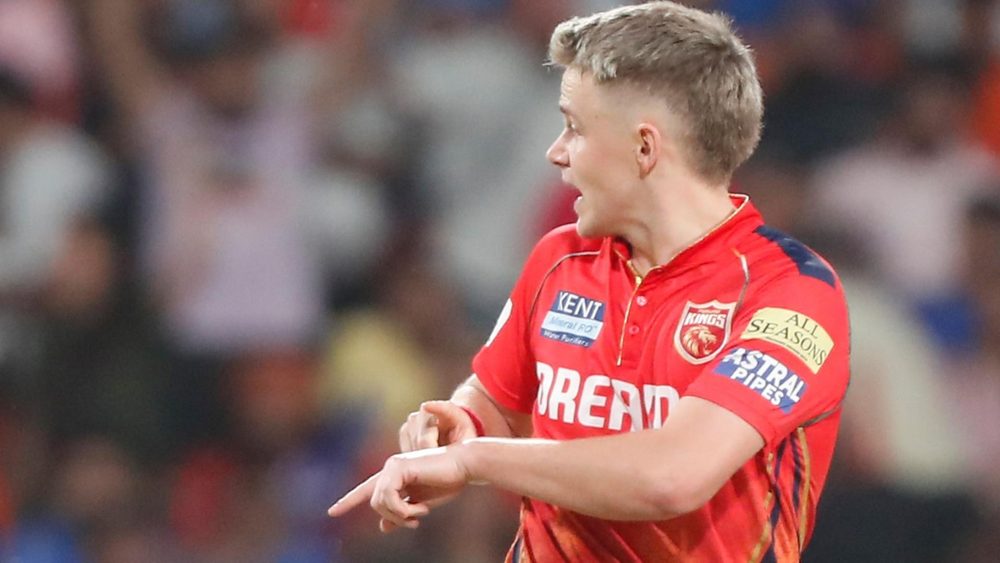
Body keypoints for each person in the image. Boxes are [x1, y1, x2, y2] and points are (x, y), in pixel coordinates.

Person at [329, 2, 851, 561]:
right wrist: (461, 424)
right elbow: (496, 401)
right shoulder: (560, 258)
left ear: (645, 148)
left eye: (574, 128)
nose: (556, 153)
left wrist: (475, 459)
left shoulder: (791, 294)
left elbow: (672, 477)